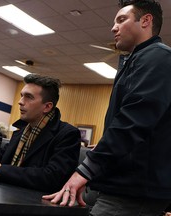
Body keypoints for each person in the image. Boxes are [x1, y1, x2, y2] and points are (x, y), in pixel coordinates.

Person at [43, 0, 171, 215]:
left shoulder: (158, 57)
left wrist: (86, 170)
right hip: (123, 185)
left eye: (121, 20)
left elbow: (132, 122)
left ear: (146, 21)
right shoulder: (136, 60)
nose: (113, 27)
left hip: (134, 190)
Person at [0, 73, 81, 193]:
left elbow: (52, 178)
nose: (20, 102)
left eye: (29, 97)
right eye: (21, 95)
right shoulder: (21, 132)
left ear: (47, 107)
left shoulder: (68, 134)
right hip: (8, 195)